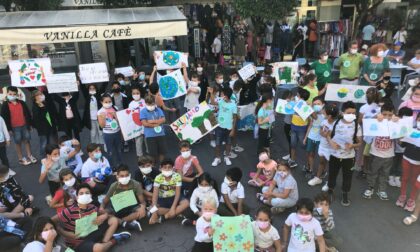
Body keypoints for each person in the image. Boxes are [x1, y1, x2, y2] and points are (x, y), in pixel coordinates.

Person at [51, 184, 131, 251]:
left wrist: (105, 216)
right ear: (77, 197)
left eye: (87, 193)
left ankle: (104, 241)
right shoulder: (69, 211)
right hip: (78, 242)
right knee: (99, 249)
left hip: (91, 232)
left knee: (113, 220)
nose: (84, 195)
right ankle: (114, 240)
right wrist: (63, 232)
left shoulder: (92, 207)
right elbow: (51, 221)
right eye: (81, 193)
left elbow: (103, 212)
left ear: (90, 195)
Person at [326, 101, 362, 206]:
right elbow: (327, 135)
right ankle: (330, 190)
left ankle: (345, 193)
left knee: (347, 177)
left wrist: (352, 146)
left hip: (349, 157)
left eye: (353, 113)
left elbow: (359, 143)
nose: (351, 115)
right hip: (335, 155)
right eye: (349, 112)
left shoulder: (356, 126)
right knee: (332, 174)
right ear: (342, 112)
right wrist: (331, 143)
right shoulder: (335, 123)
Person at [363, 102, 397, 200]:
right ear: (380, 113)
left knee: (385, 174)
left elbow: (400, 136)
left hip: (389, 155)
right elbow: (367, 124)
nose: (387, 117)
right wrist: (375, 118)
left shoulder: (395, 123)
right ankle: (370, 188)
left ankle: (382, 190)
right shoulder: (376, 121)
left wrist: (397, 121)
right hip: (375, 154)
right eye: (384, 114)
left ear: (393, 114)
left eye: (390, 115)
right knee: (372, 172)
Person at [100, 164, 146, 232]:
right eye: (122, 176)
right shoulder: (114, 186)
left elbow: (142, 202)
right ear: (117, 177)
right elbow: (104, 201)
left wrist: (142, 207)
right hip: (116, 208)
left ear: (130, 175)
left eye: (127, 175)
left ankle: (121, 222)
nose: (125, 178)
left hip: (132, 207)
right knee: (102, 214)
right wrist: (101, 208)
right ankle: (126, 222)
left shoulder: (136, 184)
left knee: (141, 212)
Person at [1, 86, 36, 166]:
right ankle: (21, 158)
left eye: (14, 94)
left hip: (24, 125)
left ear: (17, 94)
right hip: (14, 127)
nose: (12, 95)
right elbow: (4, 118)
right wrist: (8, 129)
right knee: (18, 143)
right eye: (10, 94)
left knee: (27, 140)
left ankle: (29, 155)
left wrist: (30, 124)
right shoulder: (5, 105)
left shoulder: (22, 103)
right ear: (7, 94)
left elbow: (27, 114)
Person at [149, 158, 189, 224]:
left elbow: (178, 193)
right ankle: (177, 212)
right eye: (165, 167)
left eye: (169, 167)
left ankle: (165, 217)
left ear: (173, 168)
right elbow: (155, 195)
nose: (167, 169)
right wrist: (154, 213)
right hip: (162, 198)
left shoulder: (177, 176)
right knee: (152, 209)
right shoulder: (158, 178)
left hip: (174, 197)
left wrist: (173, 207)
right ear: (161, 168)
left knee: (186, 203)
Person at [308, 104, 339, 189]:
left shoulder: (337, 125)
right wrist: (324, 134)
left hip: (331, 149)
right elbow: (321, 131)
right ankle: (318, 178)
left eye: (324, 112)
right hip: (323, 146)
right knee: (321, 162)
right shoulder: (324, 121)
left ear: (329, 116)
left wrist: (327, 135)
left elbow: (334, 138)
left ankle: (330, 182)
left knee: (331, 166)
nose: (322, 113)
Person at [396, 113, 420, 212]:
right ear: (417, 119)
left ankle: (412, 200)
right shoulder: (411, 129)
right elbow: (402, 144)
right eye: (419, 119)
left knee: (415, 181)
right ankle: (402, 196)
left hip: (418, 161)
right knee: (405, 178)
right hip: (406, 157)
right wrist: (400, 138)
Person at [209, 87, 238, 166]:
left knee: (228, 143)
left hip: (229, 128)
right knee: (217, 143)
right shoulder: (221, 101)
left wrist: (233, 130)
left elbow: (235, 118)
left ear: (226, 95)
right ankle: (217, 158)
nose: (220, 95)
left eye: (222, 94)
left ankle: (226, 157)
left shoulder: (233, 105)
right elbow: (212, 102)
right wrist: (211, 93)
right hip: (219, 127)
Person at [140, 95, 167, 164]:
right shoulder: (143, 111)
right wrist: (156, 123)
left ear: (154, 103)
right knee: (152, 153)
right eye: (149, 104)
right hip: (150, 135)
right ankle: (153, 165)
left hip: (161, 133)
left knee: (162, 151)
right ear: (146, 103)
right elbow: (144, 123)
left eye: (152, 104)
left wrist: (151, 121)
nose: (151, 106)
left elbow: (163, 119)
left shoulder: (158, 109)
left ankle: (161, 165)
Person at [31, 90, 58, 158]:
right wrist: (41, 107)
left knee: (49, 143)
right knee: (44, 143)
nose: (41, 96)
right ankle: (43, 157)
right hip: (42, 129)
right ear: (35, 97)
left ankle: (49, 155)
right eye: (39, 95)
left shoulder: (45, 103)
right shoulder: (35, 106)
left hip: (49, 126)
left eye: (41, 94)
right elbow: (37, 117)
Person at [98, 94, 122, 168]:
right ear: (101, 102)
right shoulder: (100, 111)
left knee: (119, 149)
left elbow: (120, 122)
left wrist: (115, 115)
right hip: (108, 134)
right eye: (106, 102)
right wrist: (103, 117)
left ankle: (120, 164)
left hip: (117, 132)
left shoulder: (115, 108)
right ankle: (111, 165)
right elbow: (102, 126)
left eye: (109, 101)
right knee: (110, 151)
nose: (108, 103)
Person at [303, 97, 325, 179]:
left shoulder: (325, 115)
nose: (316, 105)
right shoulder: (312, 114)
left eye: (318, 104)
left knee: (321, 157)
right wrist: (305, 138)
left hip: (321, 139)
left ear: (323, 105)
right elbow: (310, 125)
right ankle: (311, 169)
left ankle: (321, 171)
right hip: (311, 137)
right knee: (310, 154)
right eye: (314, 104)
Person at [289, 88, 311, 168]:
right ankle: (292, 160)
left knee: (303, 145)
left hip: (301, 129)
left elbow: (309, 118)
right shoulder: (295, 104)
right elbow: (291, 114)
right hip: (294, 127)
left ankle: (308, 162)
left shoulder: (306, 106)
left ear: (300, 97)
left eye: (297, 95)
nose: (296, 96)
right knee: (293, 144)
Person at [128, 85, 146, 158]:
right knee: (138, 140)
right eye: (134, 93)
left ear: (140, 93)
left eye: (137, 93)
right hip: (137, 125)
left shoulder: (144, 101)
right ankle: (140, 155)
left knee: (147, 139)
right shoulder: (131, 104)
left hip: (146, 124)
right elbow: (129, 116)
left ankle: (149, 152)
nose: (136, 95)